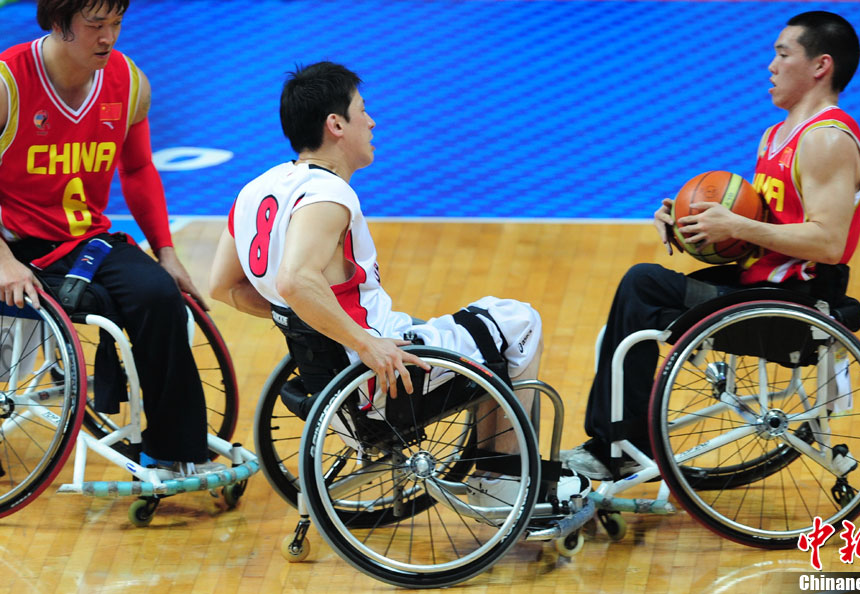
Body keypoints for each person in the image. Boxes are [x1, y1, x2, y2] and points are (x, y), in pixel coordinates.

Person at [209, 61, 587, 503]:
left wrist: (311, 324)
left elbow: (224, 287)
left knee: (476, 327)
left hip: (335, 385)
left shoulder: (255, 190)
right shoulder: (328, 194)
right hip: (381, 382)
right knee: (519, 322)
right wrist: (366, 343)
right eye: (361, 110)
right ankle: (500, 482)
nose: (371, 121)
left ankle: (497, 470)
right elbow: (295, 281)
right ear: (336, 125)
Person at [562, 11, 860, 480]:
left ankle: (618, 448)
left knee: (642, 285)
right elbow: (761, 231)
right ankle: (620, 443)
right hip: (756, 288)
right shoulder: (775, 137)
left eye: (783, 54)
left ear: (820, 66)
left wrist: (738, 225)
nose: (771, 66)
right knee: (637, 304)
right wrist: (696, 225)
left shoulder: (826, 139)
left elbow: (828, 243)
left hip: (791, 305)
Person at [0, 0, 221, 477]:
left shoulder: (129, 81)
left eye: (116, 23)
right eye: (95, 25)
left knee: (160, 295)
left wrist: (166, 252)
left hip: (85, 241)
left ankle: (174, 451)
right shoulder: (7, 83)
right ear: (57, 24)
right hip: (12, 243)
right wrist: (3, 261)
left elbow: (138, 169)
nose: (109, 37)